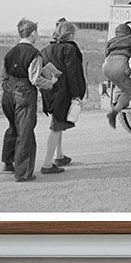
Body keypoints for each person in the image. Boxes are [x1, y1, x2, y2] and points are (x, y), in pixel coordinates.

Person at [1, 18, 58, 182]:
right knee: (25, 132)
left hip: (8, 93)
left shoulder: (10, 52)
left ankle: (8, 161)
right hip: (24, 93)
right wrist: (50, 83)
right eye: (37, 32)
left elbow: (4, 75)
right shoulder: (34, 54)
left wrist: (9, 87)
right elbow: (34, 79)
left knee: (13, 126)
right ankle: (23, 172)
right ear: (33, 33)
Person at [40, 20, 86, 171]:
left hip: (50, 91)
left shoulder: (45, 49)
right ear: (70, 33)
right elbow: (73, 74)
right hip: (64, 92)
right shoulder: (70, 49)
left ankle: (59, 156)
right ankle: (47, 164)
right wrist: (76, 95)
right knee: (57, 126)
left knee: (58, 123)